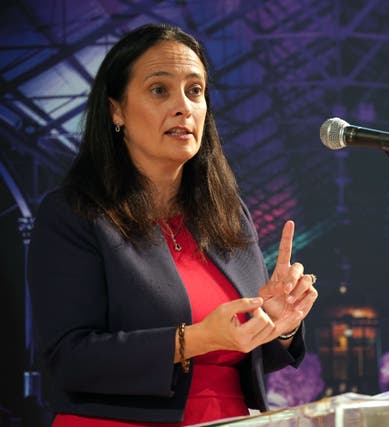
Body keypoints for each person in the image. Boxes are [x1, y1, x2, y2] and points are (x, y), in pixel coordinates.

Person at [27, 23, 318, 426]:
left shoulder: (229, 216)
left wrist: (278, 326)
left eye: (195, 91)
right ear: (116, 110)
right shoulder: (75, 213)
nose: (183, 106)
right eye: (159, 90)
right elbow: (67, 360)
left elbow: (244, 357)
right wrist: (195, 340)